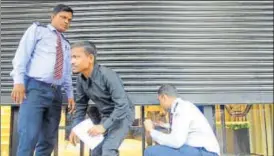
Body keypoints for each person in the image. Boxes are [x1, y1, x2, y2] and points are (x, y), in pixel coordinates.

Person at [10, 4, 75, 156]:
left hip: (56, 94)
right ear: (53, 17)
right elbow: (21, 55)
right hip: (35, 89)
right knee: (29, 136)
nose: (66, 22)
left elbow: (66, 72)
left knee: (49, 140)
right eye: (63, 17)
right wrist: (18, 82)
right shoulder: (37, 30)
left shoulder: (66, 44)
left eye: (69, 20)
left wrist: (70, 94)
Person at [69, 41, 135, 156]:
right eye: (71, 57)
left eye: (76, 57)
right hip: (106, 115)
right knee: (96, 151)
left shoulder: (108, 75)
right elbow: (80, 106)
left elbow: (122, 105)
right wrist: (75, 127)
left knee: (108, 149)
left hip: (123, 115)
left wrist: (104, 126)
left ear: (90, 58)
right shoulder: (80, 80)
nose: (72, 61)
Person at [144, 84, 220, 156]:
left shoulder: (182, 108)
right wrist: (164, 125)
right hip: (198, 150)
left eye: (159, 100)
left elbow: (176, 141)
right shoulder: (182, 106)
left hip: (204, 152)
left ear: (164, 97)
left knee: (150, 151)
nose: (160, 104)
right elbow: (183, 127)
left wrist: (151, 131)